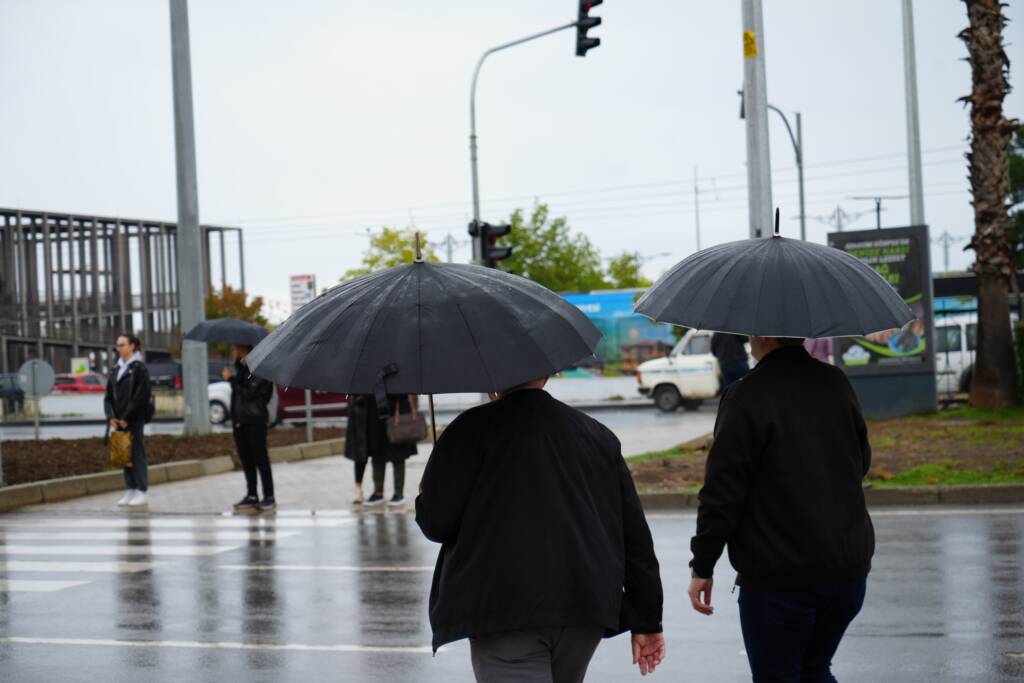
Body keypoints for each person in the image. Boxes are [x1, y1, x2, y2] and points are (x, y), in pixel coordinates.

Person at [416, 378, 665, 682]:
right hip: (582, 607)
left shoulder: (469, 429)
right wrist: (648, 620)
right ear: (546, 373)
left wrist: (425, 497)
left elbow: (437, 522)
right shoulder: (595, 434)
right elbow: (634, 536)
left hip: (503, 609)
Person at [687, 336, 874, 682]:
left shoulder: (745, 395)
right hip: (847, 568)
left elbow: (722, 493)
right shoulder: (836, 382)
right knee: (815, 669)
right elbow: (860, 461)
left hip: (780, 576)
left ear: (764, 336)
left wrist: (702, 566)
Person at [224, 345, 276, 512]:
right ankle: (252, 495)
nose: (234, 353)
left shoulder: (261, 370)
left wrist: (231, 380)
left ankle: (269, 496)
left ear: (246, 351)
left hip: (255, 420)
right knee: (246, 459)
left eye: (237, 349)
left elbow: (249, 393)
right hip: (240, 421)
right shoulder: (242, 370)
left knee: (261, 459)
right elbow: (240, 392)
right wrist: (238, 371)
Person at [104, 333, 152, 508]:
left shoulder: (139, 368)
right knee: (123, 455)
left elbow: (142, 395)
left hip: (133, 419)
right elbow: (108, 395)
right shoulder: (116, 368)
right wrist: (110, 416)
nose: (119, 348)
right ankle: (130, 488)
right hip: (118, 420)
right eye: (117, 345)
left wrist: (126, 417)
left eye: (122, 344)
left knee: (136, 453)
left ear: (132, 346)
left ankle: (141, 490)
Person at [344, 393, 418, 507]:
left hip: (394, 410)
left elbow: (402, 391)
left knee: (397, 453)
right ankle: (378, 492)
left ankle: (398, 493)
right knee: (377, 451)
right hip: (375, 412)